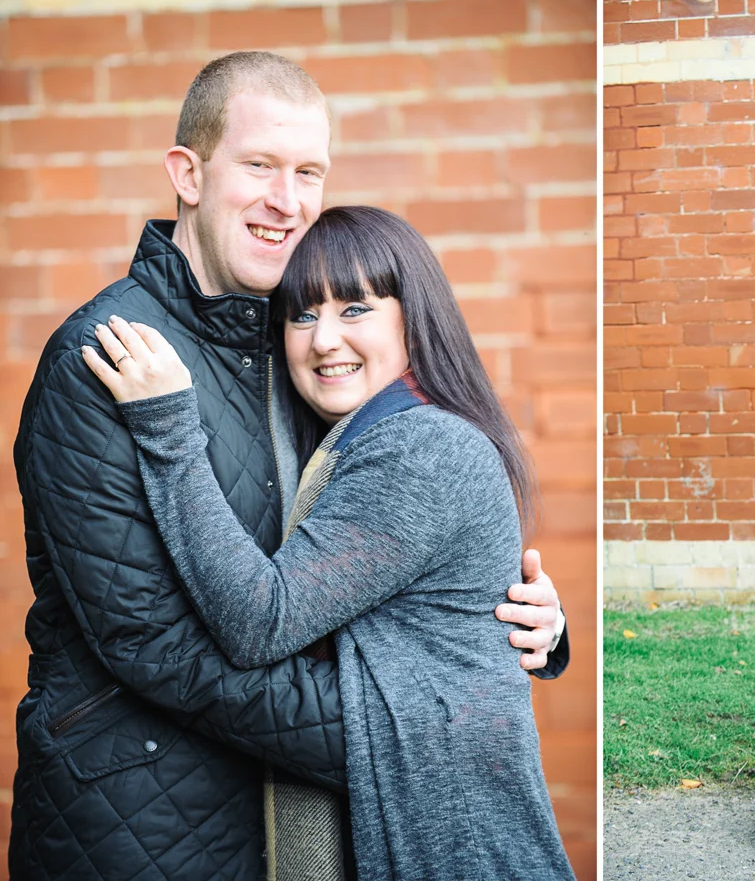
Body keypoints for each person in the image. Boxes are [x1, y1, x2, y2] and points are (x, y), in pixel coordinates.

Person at [10, 52, 567, 881]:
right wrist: (415, 732)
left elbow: (372, 559)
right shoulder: (109, 359)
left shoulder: (304, 350)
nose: (288, 199)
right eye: (260, 165)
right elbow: (149, 637)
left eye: (309, 172)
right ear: (187, 175)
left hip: (298, 824)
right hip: (140, 817)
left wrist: (509, 623)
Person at [82, 205, 576, 879]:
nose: (323, 340)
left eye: (355, 309)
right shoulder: (350, 440)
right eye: (301, 315)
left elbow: (262, 620)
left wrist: (169, 428)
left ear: (413, 317)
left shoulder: (419, 448)